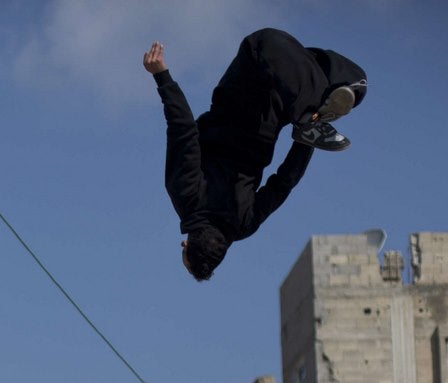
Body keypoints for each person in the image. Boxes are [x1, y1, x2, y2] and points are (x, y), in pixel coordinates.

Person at [144, 30, 367, 280]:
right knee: (262, 44)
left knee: (349, 78)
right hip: (239, 98)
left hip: (271, 120)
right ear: (186, 245)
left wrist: (304, 144)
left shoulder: (244, 225)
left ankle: (317, 110)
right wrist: (162, 76)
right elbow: (182, 129)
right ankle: (312, 110)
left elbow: (283, 183)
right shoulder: (186, 196)